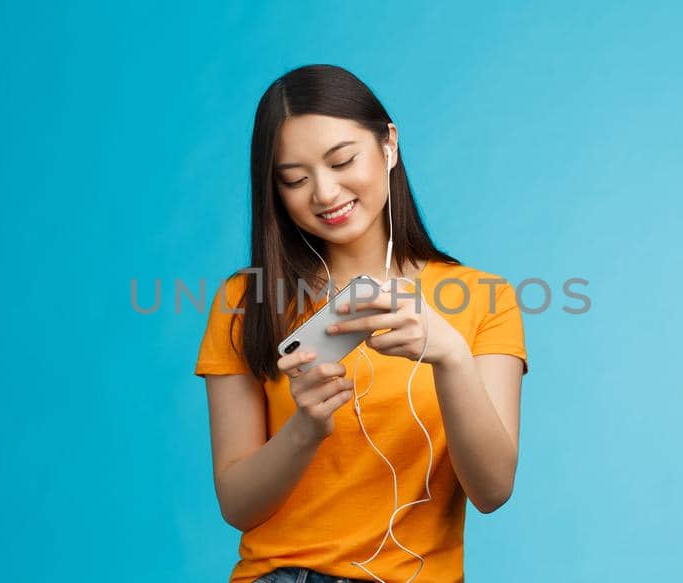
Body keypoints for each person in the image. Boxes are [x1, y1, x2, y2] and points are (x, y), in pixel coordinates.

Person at [195, 64, 527, 583]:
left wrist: (451, 357)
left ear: (388, 144)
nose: (325, 193)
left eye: (342, 160)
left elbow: (493, 491)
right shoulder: (246, 301)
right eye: (296, 179)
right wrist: (305, 428)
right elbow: (238, 506)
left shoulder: (486, 298)